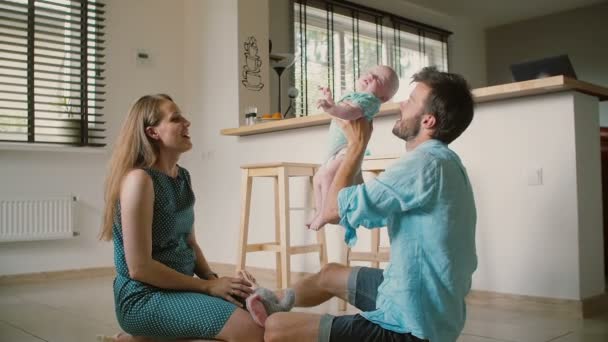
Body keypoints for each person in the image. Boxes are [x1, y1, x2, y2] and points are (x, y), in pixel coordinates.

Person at [264, 66, 477, 342]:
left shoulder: (423, 164)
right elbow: (350, 209)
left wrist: (355, 147)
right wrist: (356, 148)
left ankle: (259, 316)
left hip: (411, 328)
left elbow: (332, 211)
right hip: (421, 300)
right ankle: (271, 300)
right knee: (329, 274)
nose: (401, 104)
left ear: (428, 121)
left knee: (275, 329)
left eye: (410, 101)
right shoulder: (442, 161)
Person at [99, 94, 263, 342]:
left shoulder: (182, 176)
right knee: (251, 329)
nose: (187, 123)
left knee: (260, 313)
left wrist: (216, 281)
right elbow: (139, 268)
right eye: (176, 118)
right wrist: (207, 288)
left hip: (181, 288)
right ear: (153, 132)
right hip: (144, 297)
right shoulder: (139, 181)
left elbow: (189, 242)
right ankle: (138, 336)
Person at [306, 65, 399, 231]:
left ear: (383, 98)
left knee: (327, 175)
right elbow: (342, 111)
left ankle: (327, 213)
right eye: (372, 72)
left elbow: (350, 113)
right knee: (318, 178)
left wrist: (331, 108)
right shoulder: (354, 96)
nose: (371, 75)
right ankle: (321, 211)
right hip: (337, 150)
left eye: (379, 79)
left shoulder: (369, 101)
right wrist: (330, 101)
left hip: (347, 149)